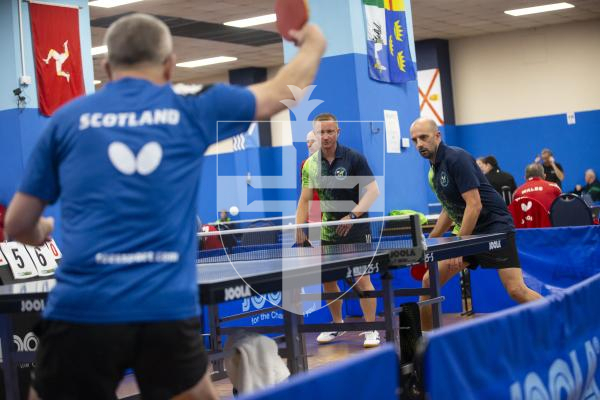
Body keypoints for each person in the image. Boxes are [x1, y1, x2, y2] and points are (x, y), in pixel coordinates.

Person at [4, 13, 326, 399]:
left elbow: (18, 224)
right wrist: (313, 45)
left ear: (105, 68)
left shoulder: (66, 120)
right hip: (164, 309)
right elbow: (279, 91)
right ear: (170, 65)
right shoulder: (192, 108)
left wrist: (42, 232)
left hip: (83, 307)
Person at [410, 117, 542, 331]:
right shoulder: (434, 171)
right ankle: (425, 343)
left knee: (516, 290)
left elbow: (474, 205)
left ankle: (559, 319)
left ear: (437, 136)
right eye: (415, 140)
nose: (419, 144)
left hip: (494, 228)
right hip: (470, 230)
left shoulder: (456, 158)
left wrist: (459, 247)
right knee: (428, 282)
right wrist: (432, 239)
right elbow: (450, 208)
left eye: (423, 138)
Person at [296, 113, 381, 348]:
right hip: (328, 231)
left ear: (338, 132)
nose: (325, 136)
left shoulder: (354, 158)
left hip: (356, 229)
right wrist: (299, 229)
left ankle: (371, 328)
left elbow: (373, 192)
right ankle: (337, 324)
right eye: (321, 132)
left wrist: (353, 216)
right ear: (315, 134)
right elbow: (304, 201)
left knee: (361, 278)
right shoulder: (310, 165)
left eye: (329, 131)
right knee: (329, 280)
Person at [300, 130, 321, 223]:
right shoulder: (305, 164)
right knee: (315, 237)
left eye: (312, 141)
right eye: (307, 142)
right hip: (314, 215)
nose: (309, 145)